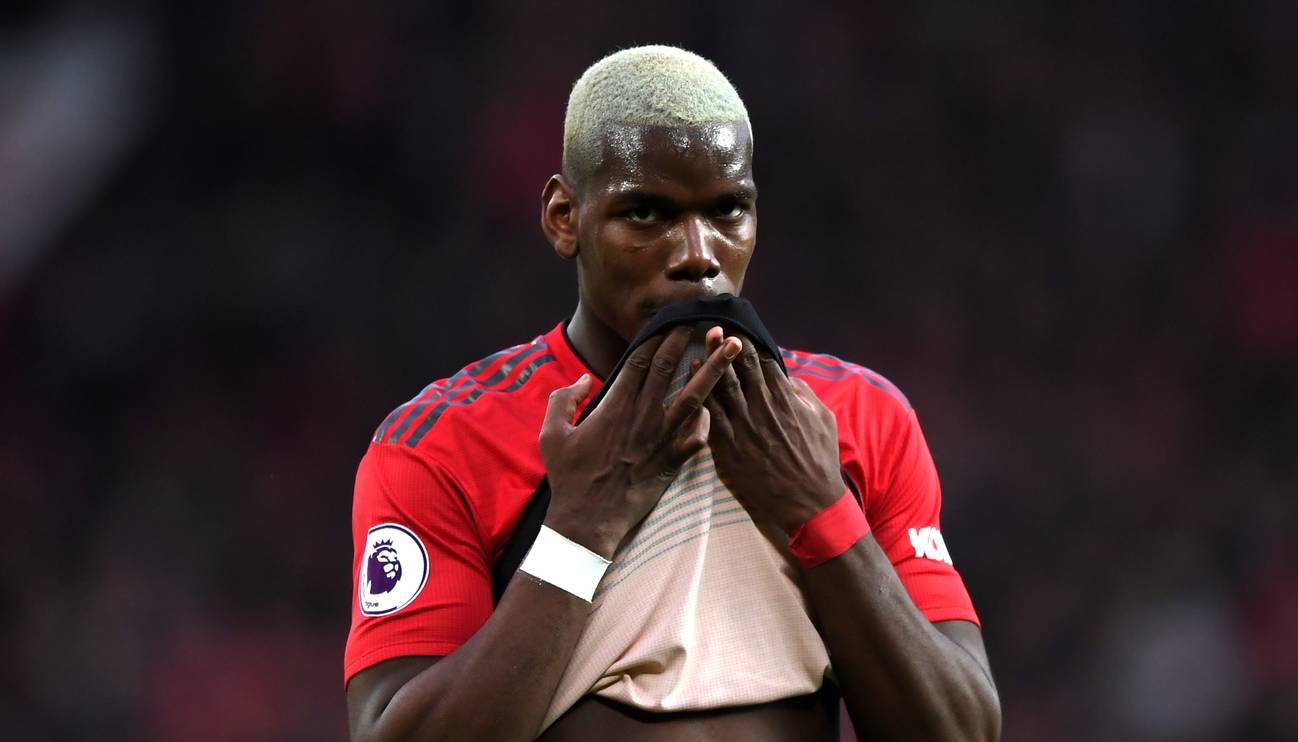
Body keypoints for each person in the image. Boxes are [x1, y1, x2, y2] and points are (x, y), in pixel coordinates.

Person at [344, 45, 1001, 741]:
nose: (698, 254)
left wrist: (820, 510)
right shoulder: (442, 443)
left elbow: (959, 732)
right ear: (565, 217)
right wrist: (581, 529)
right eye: (646, 214)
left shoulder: (860, 419)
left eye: (728, 209)